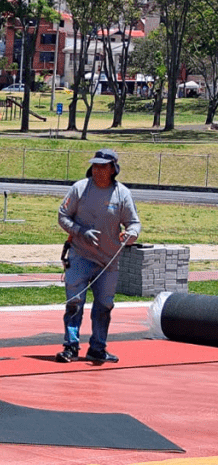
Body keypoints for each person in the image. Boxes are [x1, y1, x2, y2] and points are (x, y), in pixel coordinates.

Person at [56, 149, 141, 365]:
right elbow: (63, 215)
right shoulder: (80, 189)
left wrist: (131, 234)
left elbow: (134, 222)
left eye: (103, 166)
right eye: (95, 166)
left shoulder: (122, 194)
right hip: (80, 256)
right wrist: (80, 231)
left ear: (113, 169)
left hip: (108, 261)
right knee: (75, 302)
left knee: (104, 305)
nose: (97, 170)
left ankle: (98, 348)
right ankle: (71, 347)